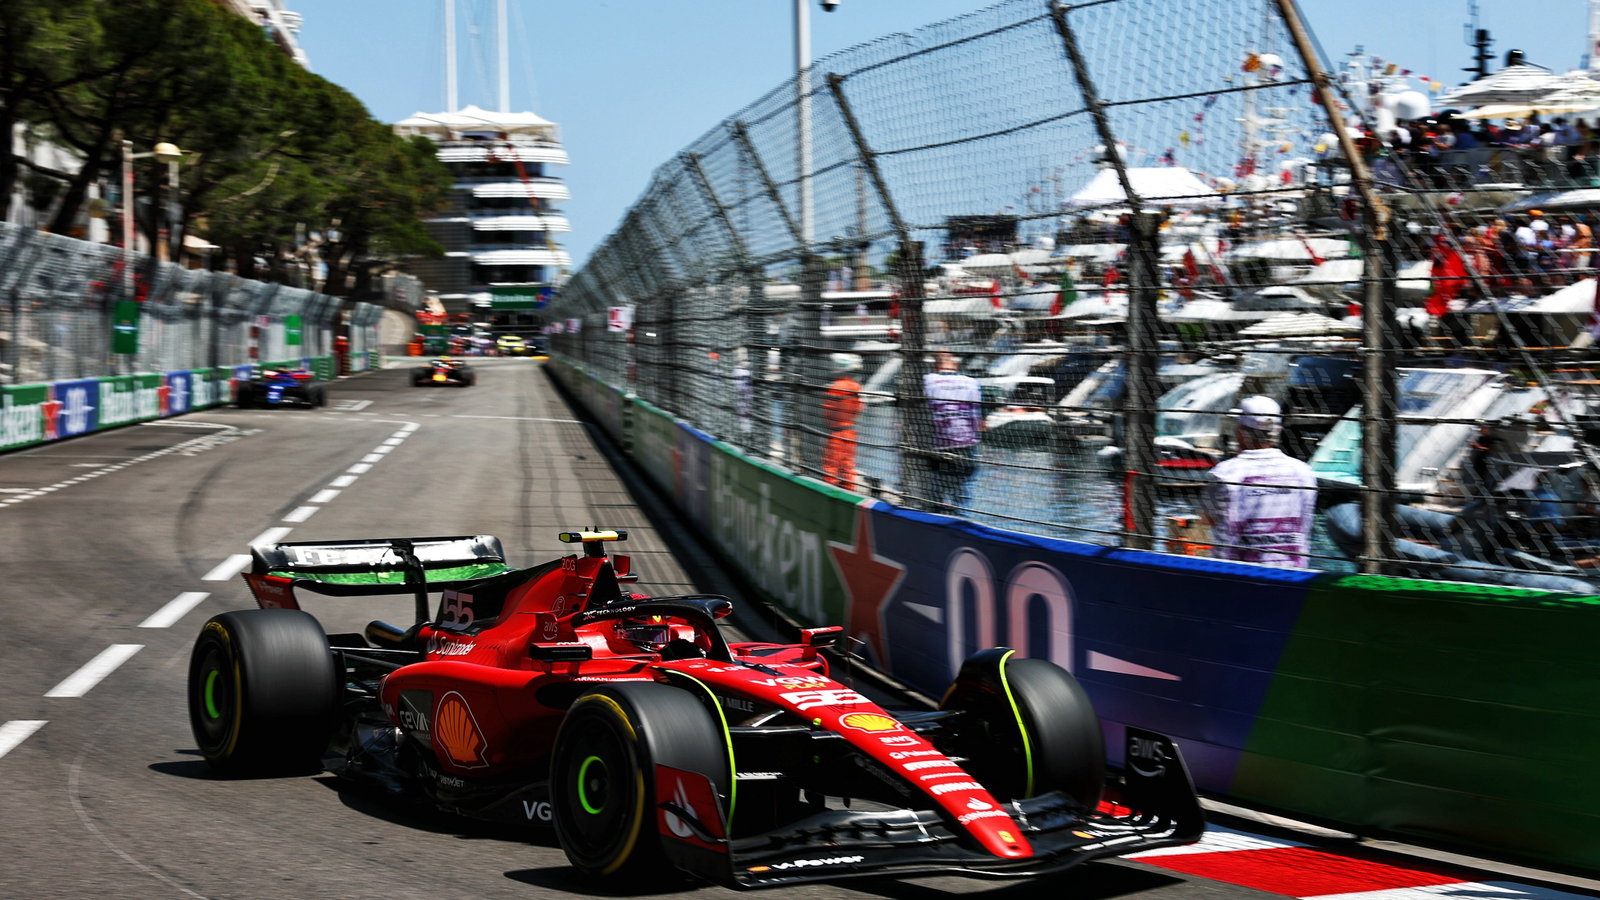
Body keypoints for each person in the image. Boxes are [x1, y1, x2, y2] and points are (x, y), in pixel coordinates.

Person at [1200, 396, 1318, 568]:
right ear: (1277, 431)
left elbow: (1206, 520)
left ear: (1241, 433)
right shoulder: (1303, 473)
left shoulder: (1225, 473)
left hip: (1231, 576)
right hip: (1293, 576)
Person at [923, 349, 984, 510]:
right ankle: (961, 519)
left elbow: (921, 414)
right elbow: (976, 417)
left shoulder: (926, 381)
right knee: (961, 493)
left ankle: (936, 515)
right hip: (966, 444)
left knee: (934, 494)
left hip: (938, 445)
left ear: (934, 364)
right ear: (955, 363)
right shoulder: (971, 382)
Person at [821, 352, 864, 490]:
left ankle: (829, 493)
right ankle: (849, 492)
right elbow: (859, 408)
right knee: (848, 466)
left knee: (831, 467)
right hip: (850, 431)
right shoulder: (855, 386)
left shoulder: (835, 387)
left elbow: (827, 412)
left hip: (836, 433)